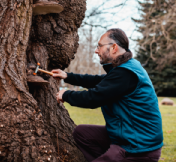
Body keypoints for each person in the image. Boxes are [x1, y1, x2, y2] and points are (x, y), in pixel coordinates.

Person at [52, 28, 163, 162]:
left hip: (137, 146)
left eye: (99, 46)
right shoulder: (126, 67)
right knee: (82, 133)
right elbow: (100, 81)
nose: (96, 50)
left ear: (114, 47)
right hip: (128, 136)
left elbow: (94, 98)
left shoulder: (126, 73)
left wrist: (66, 95)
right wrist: (67, 76)